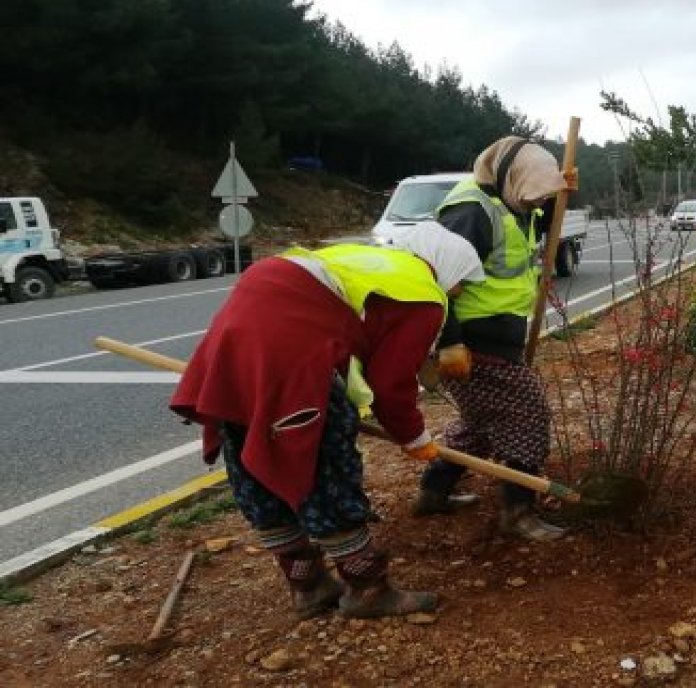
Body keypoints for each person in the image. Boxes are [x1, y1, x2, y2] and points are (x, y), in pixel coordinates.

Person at [170, 222, 484, 620]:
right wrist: (414, 438)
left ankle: (309, 586)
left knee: (256, 458)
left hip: (246, 321)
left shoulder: (371, 261)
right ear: (447, 267)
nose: (459, 292)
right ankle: (367, 589)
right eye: (462, 283)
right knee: (325, 466)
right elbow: (390, 384)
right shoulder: (424, 293)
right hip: (289, 347)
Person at [413, 136, 572, 542]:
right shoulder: (470, 213)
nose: (537, 202)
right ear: (510, 177)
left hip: (497, 341)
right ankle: (517, 513)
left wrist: (560, 187)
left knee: (481, 424)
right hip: (469, 345)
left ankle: (434, 491)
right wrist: (448, 343)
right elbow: (435, 279)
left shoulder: (511, 202)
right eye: (533, 193)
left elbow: (544, 213)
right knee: (526, 415)